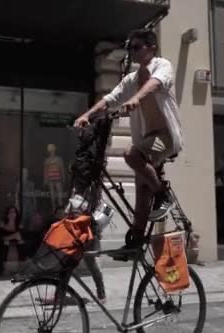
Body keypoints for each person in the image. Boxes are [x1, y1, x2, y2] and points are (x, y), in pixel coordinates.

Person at [74, 29, 184, 249]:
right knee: (142, 193)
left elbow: (155, 83)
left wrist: (136, 99)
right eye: (130, 48)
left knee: (131, 154)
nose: (132, 52)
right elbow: (110, 98)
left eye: (136, 47)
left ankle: (163, 196)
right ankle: (136, 240)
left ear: (151, 48)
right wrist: (88, 114)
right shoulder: (131, 79)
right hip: (148, 140)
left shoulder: (163, 66)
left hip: (166, 137)